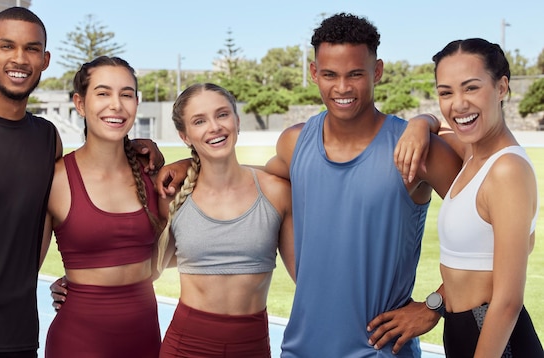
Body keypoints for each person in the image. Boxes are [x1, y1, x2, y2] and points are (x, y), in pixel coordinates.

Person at [155, 13, 462, 357]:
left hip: (379, 349)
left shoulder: (416, 150)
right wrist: (193, 164)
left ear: (377, 71)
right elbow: (251, 174)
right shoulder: (294, 143)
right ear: (314, 73)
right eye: (330, 74)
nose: (342, 88)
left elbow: (487, 232)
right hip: (301, 349)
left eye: (355, 74)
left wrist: (434, 306)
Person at [0, 7, 162, 357]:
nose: (20, 58)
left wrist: (80, 280)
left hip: (18, 336)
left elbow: (54, 226)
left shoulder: (47, 140)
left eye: (32, 48)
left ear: (45, 60)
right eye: (6, 46)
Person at [155, 83, 294, 357]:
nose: (214, 127)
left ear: (237, 121)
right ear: (185, 136)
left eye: (222, 115)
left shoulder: (277, 192)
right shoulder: (173, 195)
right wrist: (77, 282)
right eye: (199, 121)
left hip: (252, 347)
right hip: (185, 347)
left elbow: (308, 277)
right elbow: (146, 268)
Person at [43, 56, 164, 358]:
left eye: (126, 94)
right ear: (80, 104)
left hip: (146, 341)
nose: (116, 105)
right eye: (102, 93)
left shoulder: (152, 174)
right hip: (78, 344)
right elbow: (20, 267)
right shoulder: (55, 179)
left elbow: (173, 253)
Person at [432, 38, 543, 357]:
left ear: (501, 87)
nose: (458, 104)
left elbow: (508, 301)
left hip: (496, 339)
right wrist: (420, 123)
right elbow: (438, 128)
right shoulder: (474, 154)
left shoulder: (506, 170)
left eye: (471, 88)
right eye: (446, 92)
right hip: (462, 332)